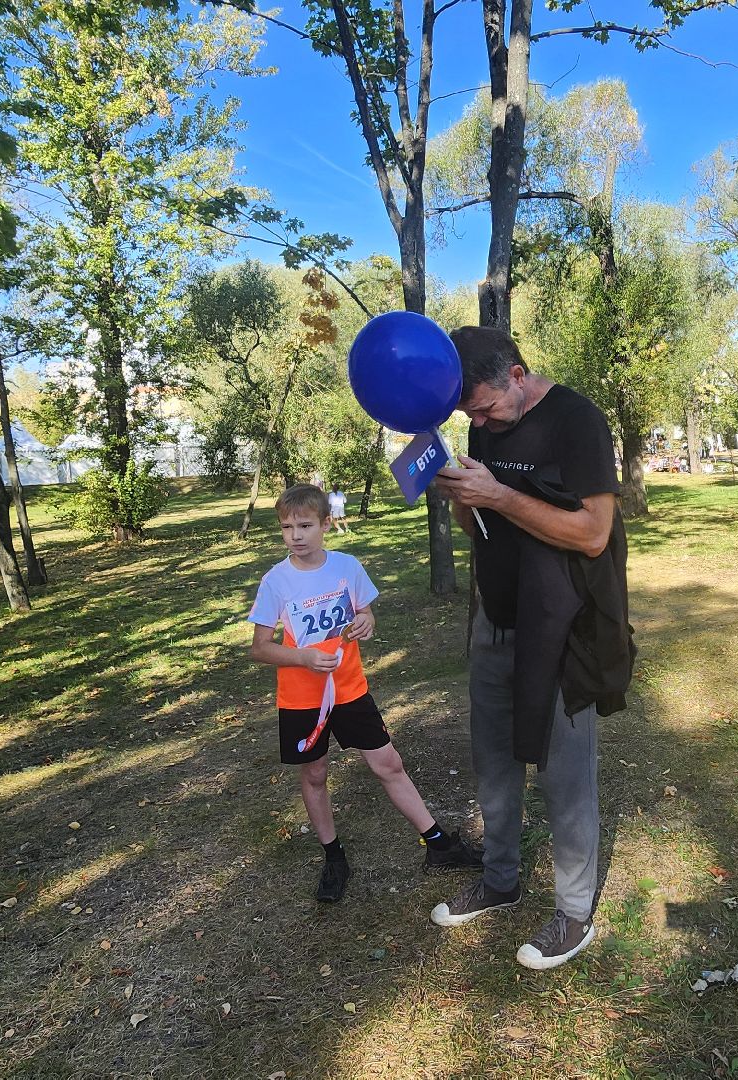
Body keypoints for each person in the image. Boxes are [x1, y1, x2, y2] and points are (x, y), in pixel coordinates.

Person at [431, 326, 634, 971]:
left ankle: (574, 914)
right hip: (498, 617)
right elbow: (483, 525)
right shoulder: (482, 425)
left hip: (564, 625)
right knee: (492, 760)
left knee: (565, 776)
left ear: (517, 373)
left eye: (488, 406)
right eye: (471, 414)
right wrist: (463, 498)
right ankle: (500, 880)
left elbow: (594, 533)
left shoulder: (577, 420)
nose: (481, 421)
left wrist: (498, 493)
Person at [246, 484, 481, 904]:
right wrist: (302, 658)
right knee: (315, 774)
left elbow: (363, 610)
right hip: (304, 701)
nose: (295, 536)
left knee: (388, 762)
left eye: (304, 526)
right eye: (286, 527)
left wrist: (366, 620)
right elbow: (260, 647)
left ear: (325, 524)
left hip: (351, 690)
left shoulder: (346, 566)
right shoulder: (275, 581)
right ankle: (334, 857)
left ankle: (439, 845)